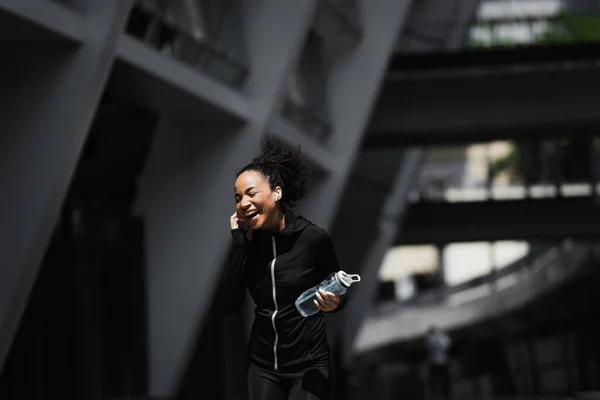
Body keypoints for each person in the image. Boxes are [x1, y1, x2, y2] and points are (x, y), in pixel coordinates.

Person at [219, 134, 348, 400]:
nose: (243, 203)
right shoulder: (248, 245)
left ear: (276, 192)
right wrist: (239, 242)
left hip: (309, 365)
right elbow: (230, 303)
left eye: (251, 193)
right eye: (237, 197)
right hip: (263, 366)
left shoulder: (313, 238)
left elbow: (340, 289)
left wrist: (334, 302)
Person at [424, 325, 452, 399]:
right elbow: (448, 345)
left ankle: (434, 394)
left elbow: (427, 349)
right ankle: (446, 394)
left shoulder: (429, 339)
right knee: (444, 379)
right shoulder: (443, 337)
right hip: (443, 360)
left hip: (433, 362)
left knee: (433, 380)